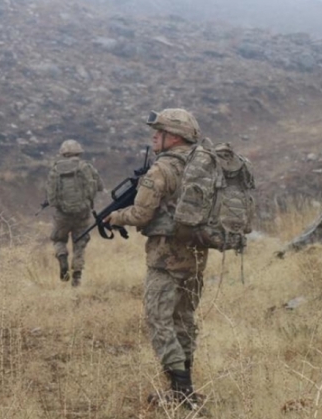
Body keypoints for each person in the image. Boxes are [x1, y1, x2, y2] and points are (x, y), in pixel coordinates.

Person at [103, 108, 207, 410]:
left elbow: (140, 214)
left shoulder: (160, 170)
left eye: (158, 131)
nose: (153, 136)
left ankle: (182, 394)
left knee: (159, 320)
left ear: (173, 137)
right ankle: (184, 390)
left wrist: (115, 217)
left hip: (165, 257)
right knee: (184, 320)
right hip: (197, 255)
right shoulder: (203, 165)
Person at [45, 139, 104, 287]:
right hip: (82, 213)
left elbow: (51, 196)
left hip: (62, 215)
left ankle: (62, 256)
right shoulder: (87, 167)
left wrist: (60, 205)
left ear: (63, 152)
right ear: (79, 152)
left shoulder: (55, 169)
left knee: (58, 239)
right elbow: (99, 187)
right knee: (80, 244)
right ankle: (76, 279)